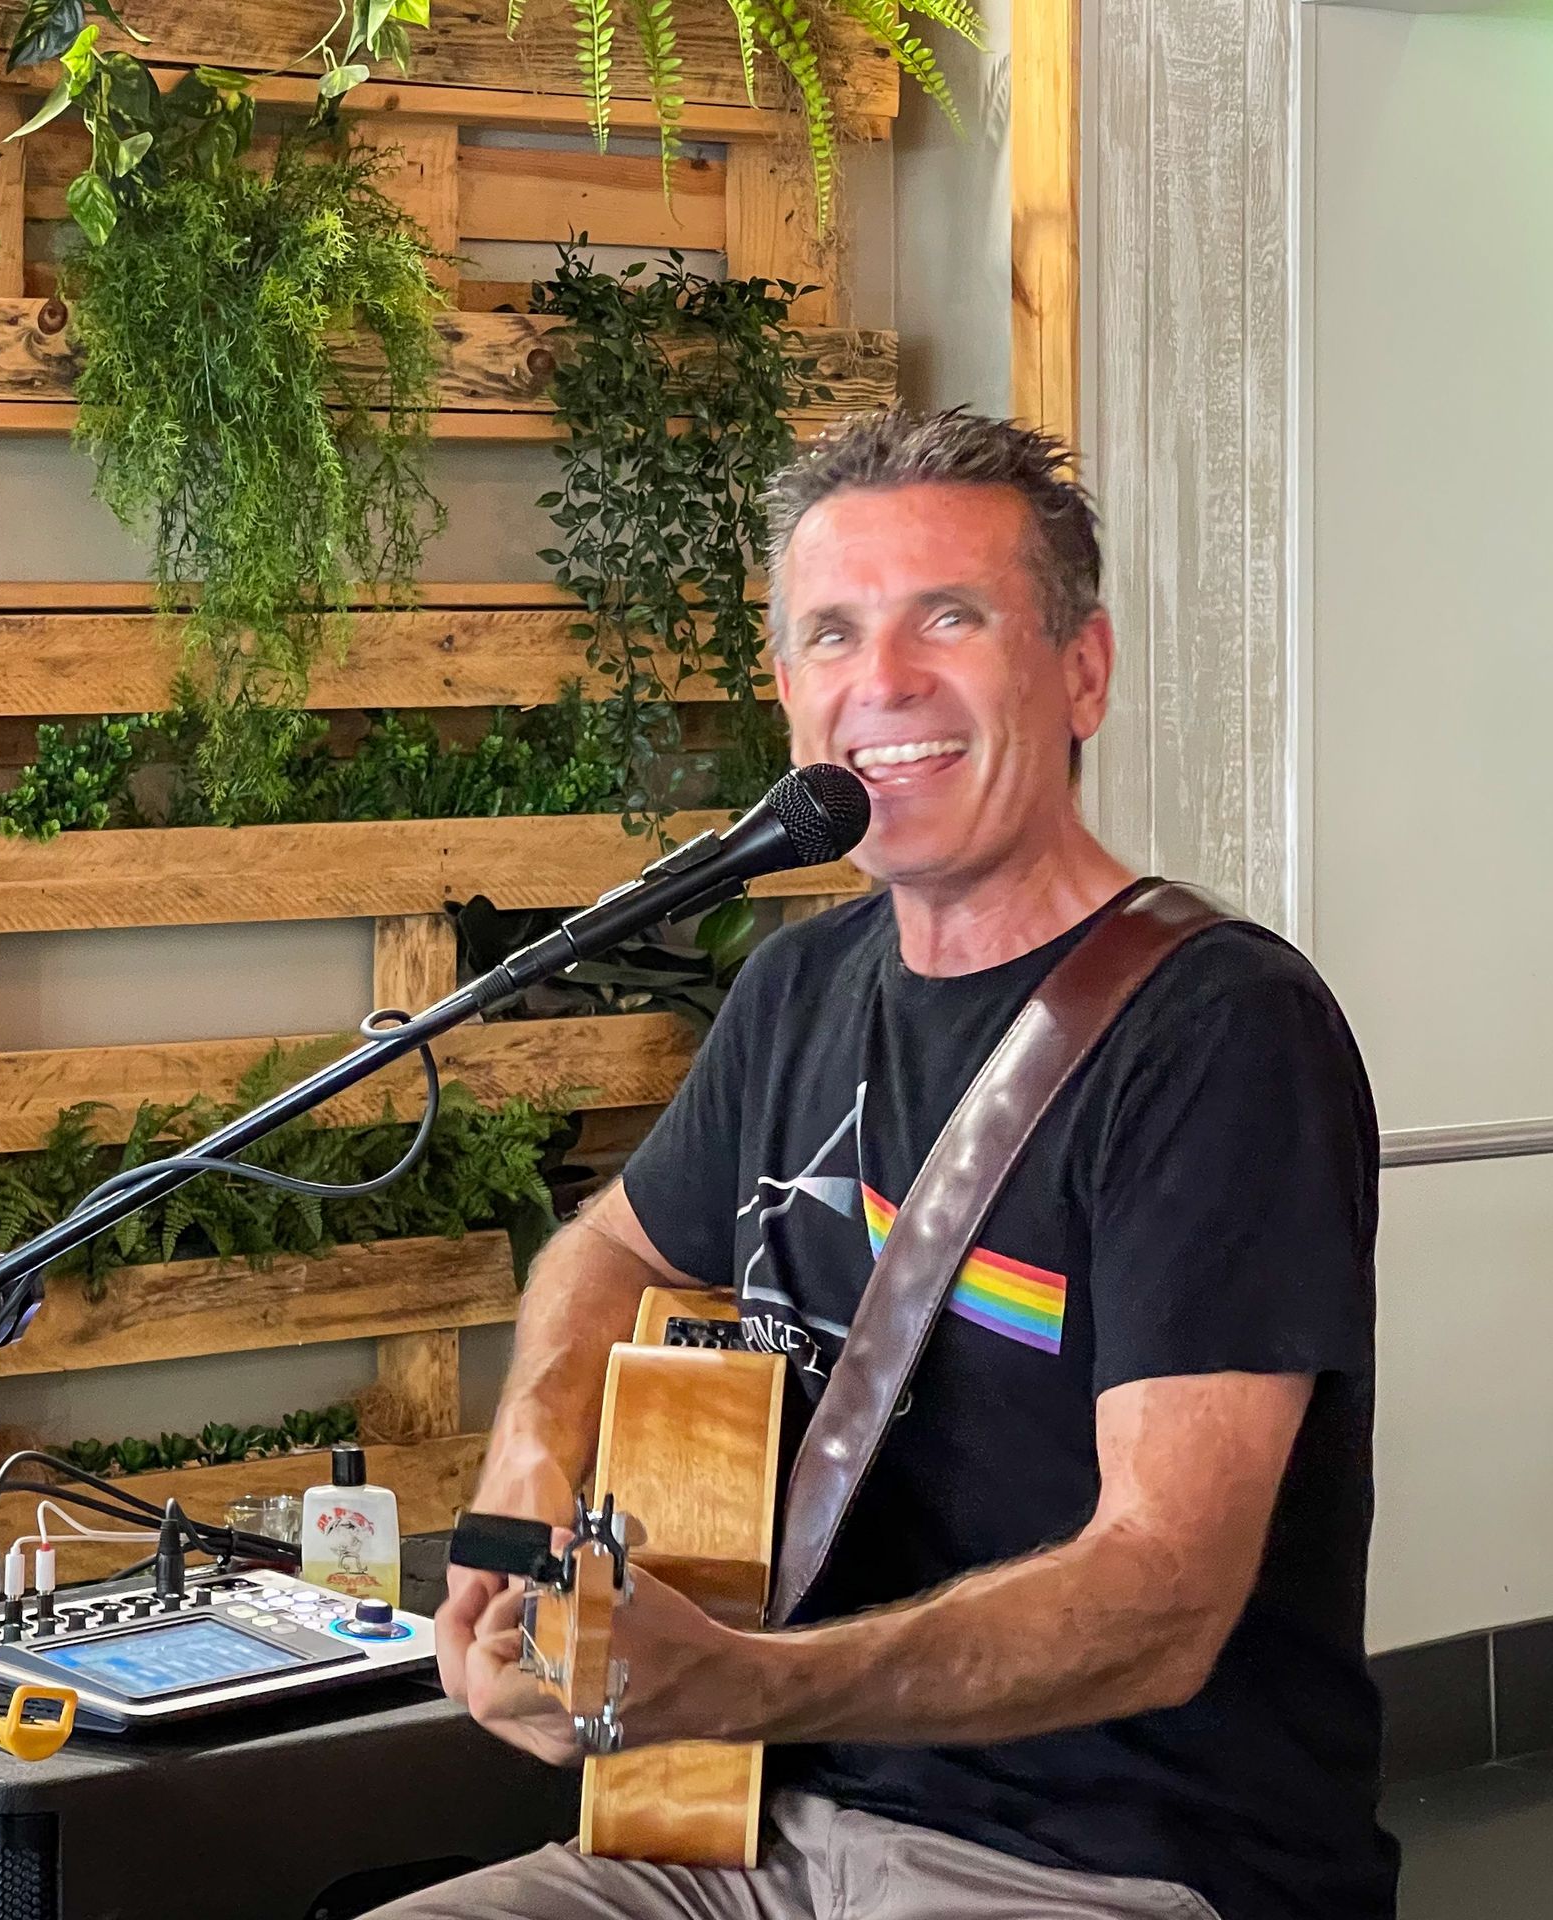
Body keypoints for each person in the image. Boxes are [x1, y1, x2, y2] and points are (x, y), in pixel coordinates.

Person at [405, 408, 1397, 1920]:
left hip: (1103, 1864)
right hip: (724, 1826)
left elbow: (1165, 1596)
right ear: (791, 694)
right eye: (832, 633)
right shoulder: (797, 989)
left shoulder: (1221, 1033)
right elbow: (606, 1253)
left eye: (952, 617)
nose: (885, 684)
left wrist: (749, 1682)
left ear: (1081, 672)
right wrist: (530, 1477)